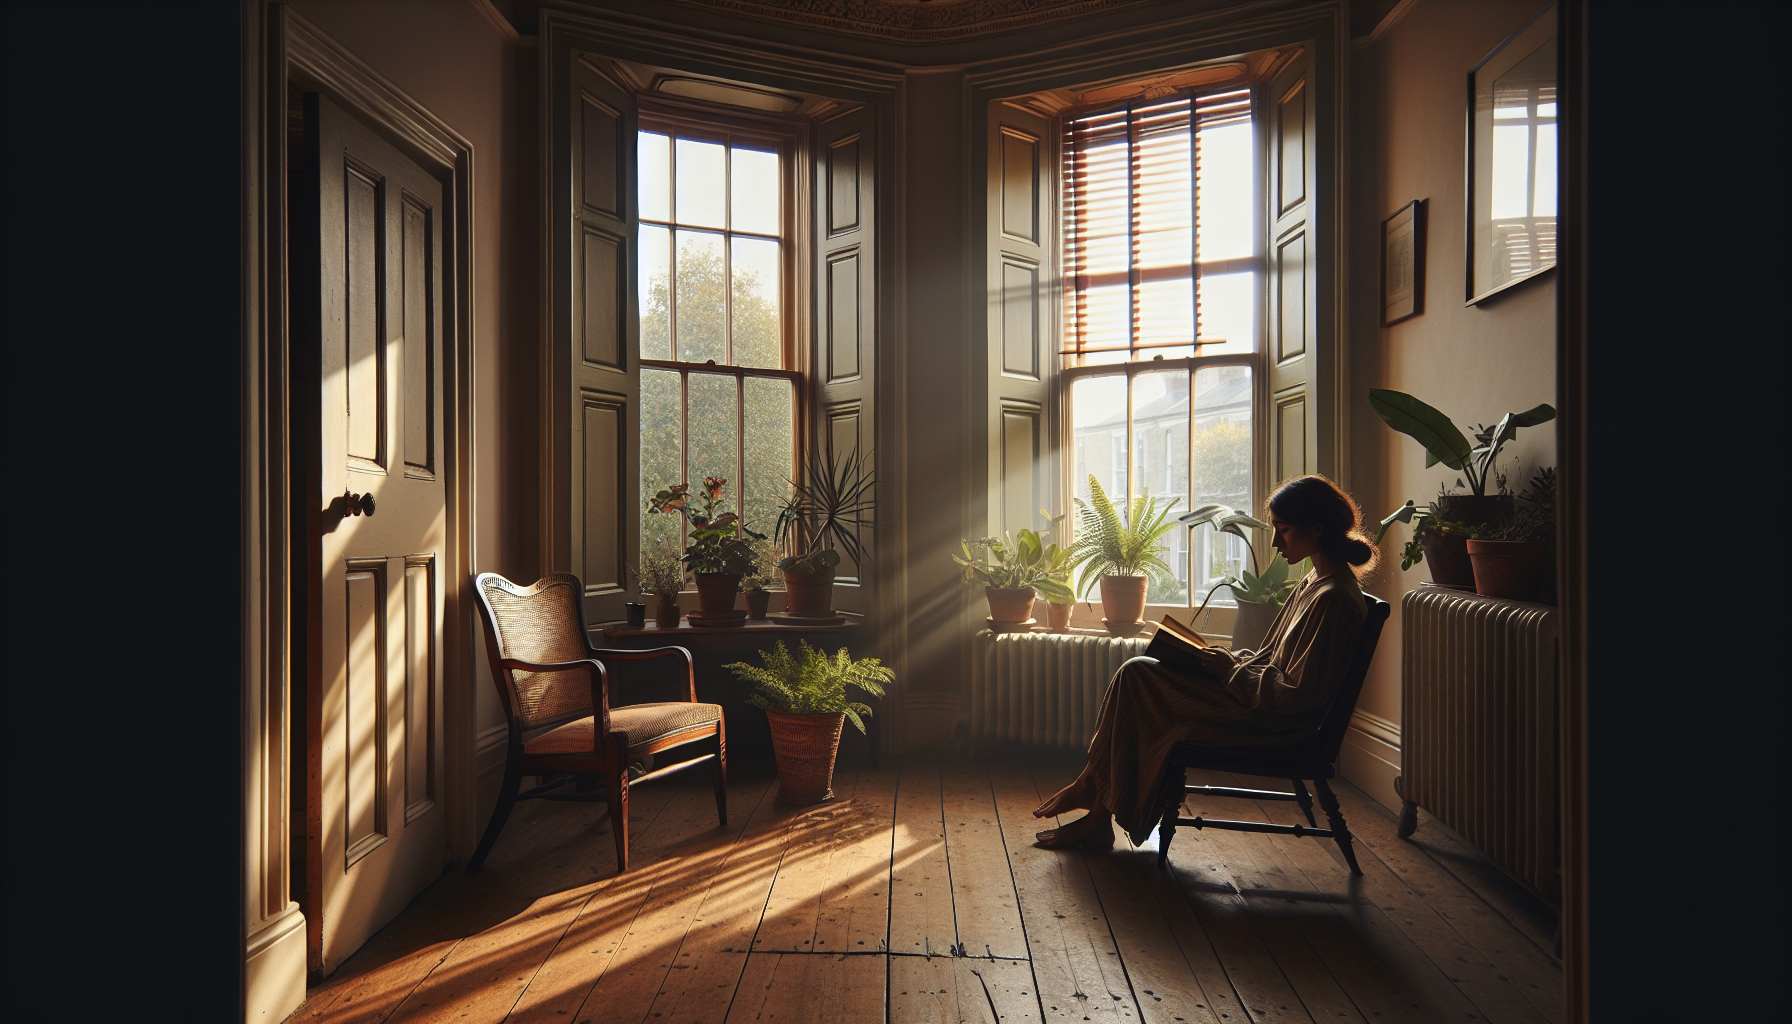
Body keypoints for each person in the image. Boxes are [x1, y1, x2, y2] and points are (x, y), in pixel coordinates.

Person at [1033, 474, 1378, 850]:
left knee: (1137, 676)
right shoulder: (1314, 581)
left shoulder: (1334, 599)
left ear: (1317, 528)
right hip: (1255, 700)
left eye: (1285, 530)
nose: (1276, 541)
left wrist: (1230, 671)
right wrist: (1222, 659)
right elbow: (1268, 658)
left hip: (1274, 721)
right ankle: (1095, 805)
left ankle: (1092, 795)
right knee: (1138, 674)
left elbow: (1296, 696)